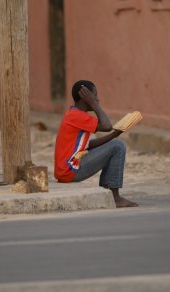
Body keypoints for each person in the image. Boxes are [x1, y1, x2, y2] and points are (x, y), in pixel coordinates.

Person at [54, 80, 138, 208]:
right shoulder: (77, 116)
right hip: (71, 170)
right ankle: (115, 198)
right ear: (85, 97)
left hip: (66, 170)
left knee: (115, 144)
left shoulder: (74, 114)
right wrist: (94, 104)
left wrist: (114, 135)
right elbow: (106, 125)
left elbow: (88, 145)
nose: (97, 99)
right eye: (94, 96)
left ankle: (109, 193)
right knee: (118, 146)